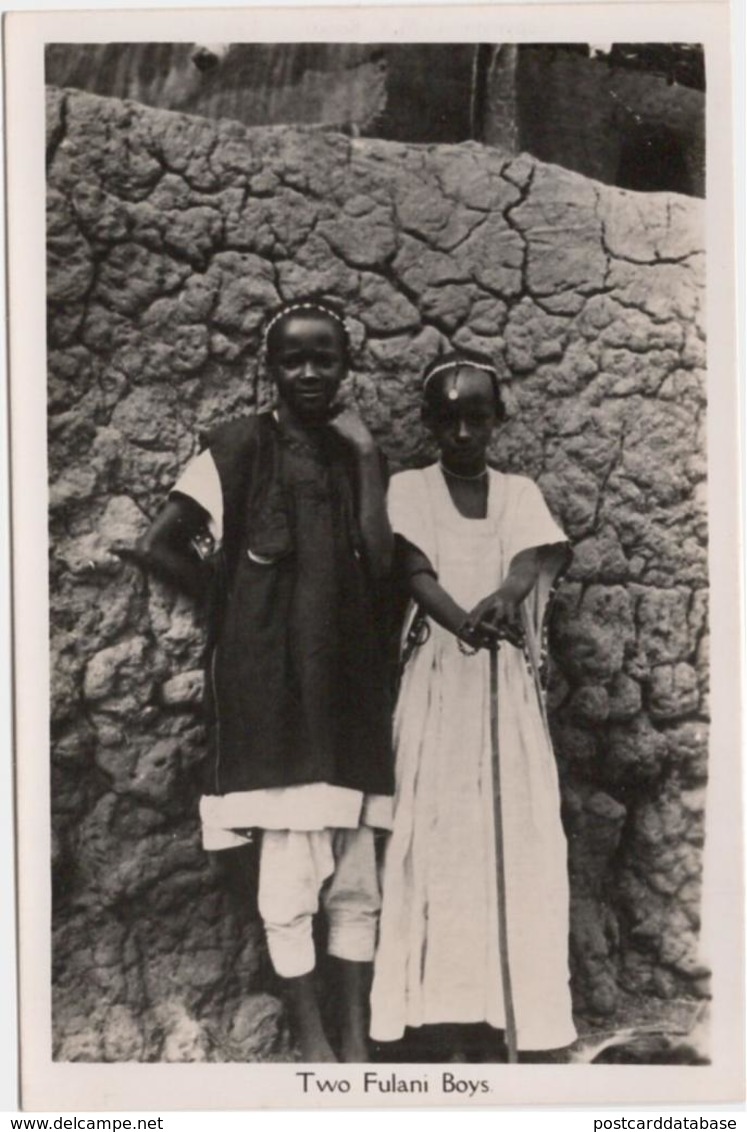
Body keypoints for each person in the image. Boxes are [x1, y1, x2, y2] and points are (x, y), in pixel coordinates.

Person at [126, 298, 394, 1063]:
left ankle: (355, 1037)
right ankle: (312, 1038)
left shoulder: (358, 456)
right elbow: (158, 543)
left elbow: (379, 567)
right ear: (268, 368)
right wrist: (238, 609)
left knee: (353, 867)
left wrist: (370, 459)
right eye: (293, 360)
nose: (309, 373)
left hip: (347, 686)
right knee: (287, 862)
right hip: (270, 689)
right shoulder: (236, 450)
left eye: (325, 359)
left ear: (347, 366)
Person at [369, 350, 576, 1059]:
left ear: (497, 420)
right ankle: (436, 1017)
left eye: (476, 417)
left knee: (510, 834)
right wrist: (462, 621)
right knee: (436, 837)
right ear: (428, 422)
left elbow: (527, 560)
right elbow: (413, 568)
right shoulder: (410, 487)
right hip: (437, 679)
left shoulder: (517, 492)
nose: (462, 432)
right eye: (448, 418)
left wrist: (506, 600)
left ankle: (503, 1013)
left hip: (500, 682)